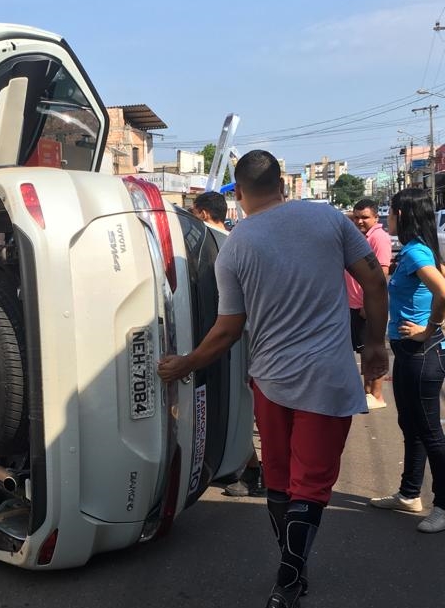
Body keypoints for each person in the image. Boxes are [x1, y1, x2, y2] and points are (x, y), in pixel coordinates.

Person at [157, 150, 388, 608]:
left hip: (271, 381)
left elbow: (227, 330)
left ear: (238, 193)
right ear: (283, 184)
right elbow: (375, 283)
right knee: (311, 487)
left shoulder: (236, 247)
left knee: (281, 483)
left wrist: (185, 363)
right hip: (327, 378)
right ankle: (288, 580)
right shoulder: (329, 221)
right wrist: (376, 345)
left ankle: (290, 575)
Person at [369, 187, 445, 533]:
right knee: (411, 426)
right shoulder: (420, 250)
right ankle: (409, 493)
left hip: (421, 353)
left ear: (404, 214)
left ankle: (442, 505)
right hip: (408, 352)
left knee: (430, 432)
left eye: (392, 212)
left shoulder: (416, 252)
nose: (388, 218)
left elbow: (443, 291)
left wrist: (430, 328)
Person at [193, 191, 266, 497]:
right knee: (240, 405)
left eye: (195, 213)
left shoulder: (211, 245)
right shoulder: (234, 242)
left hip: (229, 342)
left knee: (237, 405)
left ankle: (254, 472)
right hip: (244, 340)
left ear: (205, 214)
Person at [344, 198, 392, 410]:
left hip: (366, 304)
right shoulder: (360, 235)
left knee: (372, 348)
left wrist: (368, 303)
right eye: (357, 217)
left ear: (376, 217)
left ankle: (377, 394)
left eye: (365, 217)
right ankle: (367, 392)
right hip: (353, 304)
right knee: (363, 350)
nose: (360, 221)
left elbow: (382, 272)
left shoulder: (378, 237)